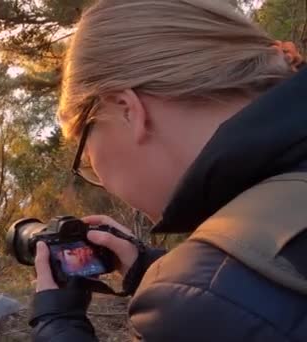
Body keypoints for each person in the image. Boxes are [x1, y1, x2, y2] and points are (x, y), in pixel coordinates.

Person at [29, 0, 307, 341]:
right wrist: (151, 270)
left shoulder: (205, 306)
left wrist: (57, 322)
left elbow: (231, 304)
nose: (99, 178)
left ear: (127, 110)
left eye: (85, 153)